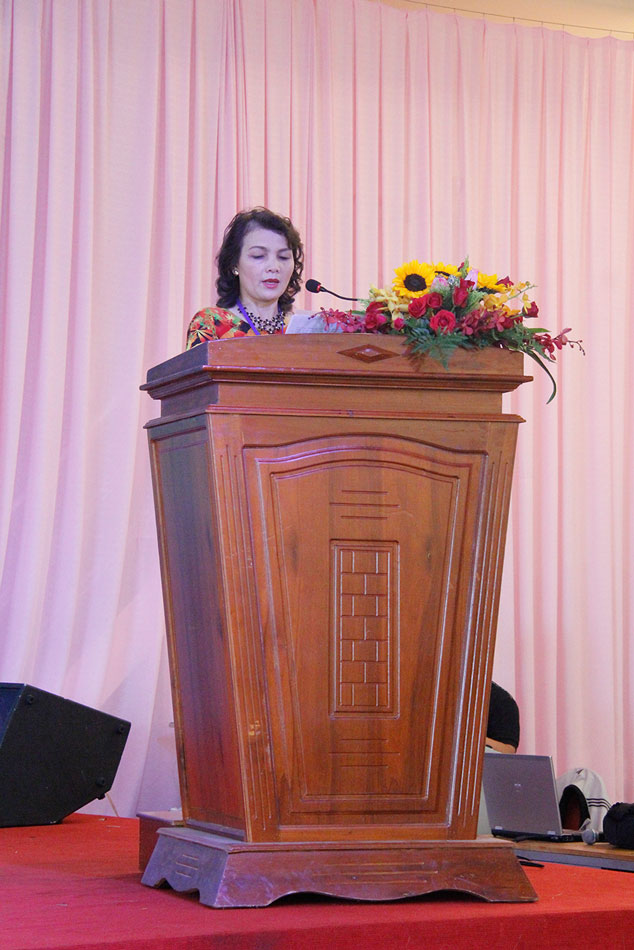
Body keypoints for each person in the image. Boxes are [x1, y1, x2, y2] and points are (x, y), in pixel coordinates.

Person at [186, 207, 305, 347]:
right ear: (234, 264)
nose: (274, 267)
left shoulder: (303, 330)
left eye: (283, 257)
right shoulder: (210, 323)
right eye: (258, 256)